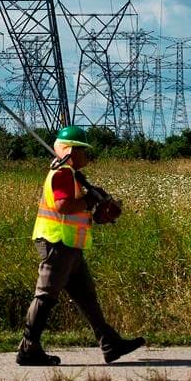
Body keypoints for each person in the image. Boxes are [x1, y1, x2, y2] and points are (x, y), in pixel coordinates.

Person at [16, 125, 145, 366]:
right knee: (45, 296)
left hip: (71, 246)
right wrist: (89, 199)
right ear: (71, 150)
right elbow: (64, 206)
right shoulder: (63, 173)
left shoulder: (72, 175)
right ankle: (28, 348)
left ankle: (110, 343)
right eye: (83, 151)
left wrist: (99, 211)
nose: (87, 156)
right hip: (57, 243)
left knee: (87, 298)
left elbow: (78, 211)